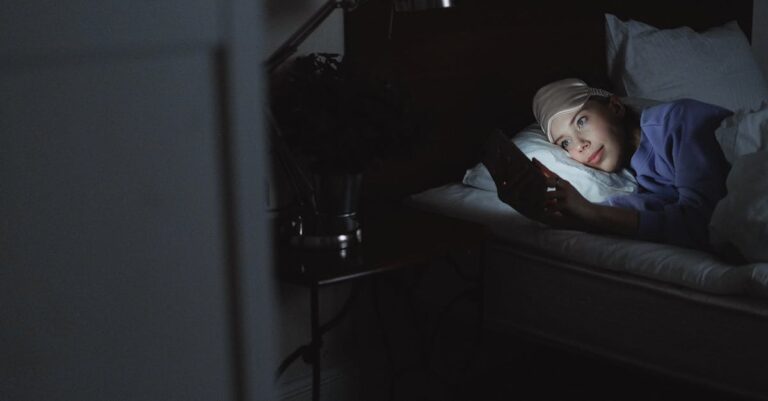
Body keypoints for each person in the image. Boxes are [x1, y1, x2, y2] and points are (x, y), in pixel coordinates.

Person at [531, 78, 733, 251]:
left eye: (581, 121)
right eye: (565, 143)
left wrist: (591, 212)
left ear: (615, 107)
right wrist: (556, 213)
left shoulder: (677, 120)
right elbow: (631, 216)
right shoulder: (639, 179)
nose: (580, 145)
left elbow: (705, 224)